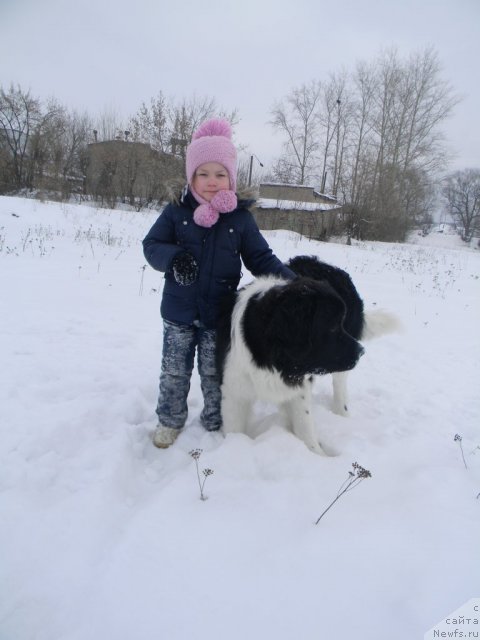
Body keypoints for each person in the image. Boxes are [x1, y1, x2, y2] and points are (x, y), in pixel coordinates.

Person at [142, 118, 294, 448]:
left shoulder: (239, 218)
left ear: (232, 177)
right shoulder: (176, 211)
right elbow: (151, 246)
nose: (212, 181)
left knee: (214, 373)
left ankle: (214, 419)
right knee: (174, 371)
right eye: (204, 173)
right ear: (191, 175)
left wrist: (293, 284)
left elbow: (261, 259)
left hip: (217, 315)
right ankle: (170, 420)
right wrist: (173, 259)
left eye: (220, 174)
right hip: (178, 313)